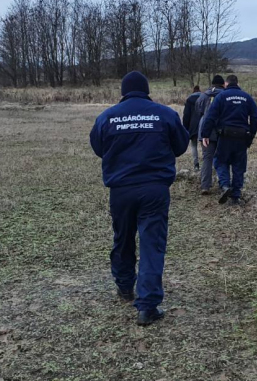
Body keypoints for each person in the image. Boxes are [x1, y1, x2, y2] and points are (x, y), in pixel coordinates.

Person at [89, 71, 189, 326]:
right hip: (154, 189)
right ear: (147, 90)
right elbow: (180, 146)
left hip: (121, 190)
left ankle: (124, 286)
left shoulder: (107, 117)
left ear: (123, 91)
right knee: (151, 244)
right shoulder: (165, 114)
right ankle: (147, 306)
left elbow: (99, 148)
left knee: (123, 238)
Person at [200, 74, 257, 206]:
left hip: (225, 135)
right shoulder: (246, 97)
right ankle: (236, 195)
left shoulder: (221, 96)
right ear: (237, 84)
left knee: (221, 161)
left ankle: (225, 185)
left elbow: (211, 116)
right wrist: (251, 135)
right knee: (239, 165)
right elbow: (255, 117)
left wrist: (205, 133)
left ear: (226, 84)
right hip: (242, 136)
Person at [195, 75, 226, 194]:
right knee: (223, 158)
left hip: (204, 131)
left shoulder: (203, 95)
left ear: (212, 84)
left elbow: (199, 111)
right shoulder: (225, 95)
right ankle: (223, 184)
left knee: (207, 158)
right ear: (223, 84)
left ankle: (205, 186)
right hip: (221, 130)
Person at [182, 85, 202, 170]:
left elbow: (186, 115)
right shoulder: (204, 98)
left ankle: (196, 164)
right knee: (205, 145)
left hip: (193, 125)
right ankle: (207, 164)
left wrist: (185, 128)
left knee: (193, 145)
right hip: (203, 124)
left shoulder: (189, 100)